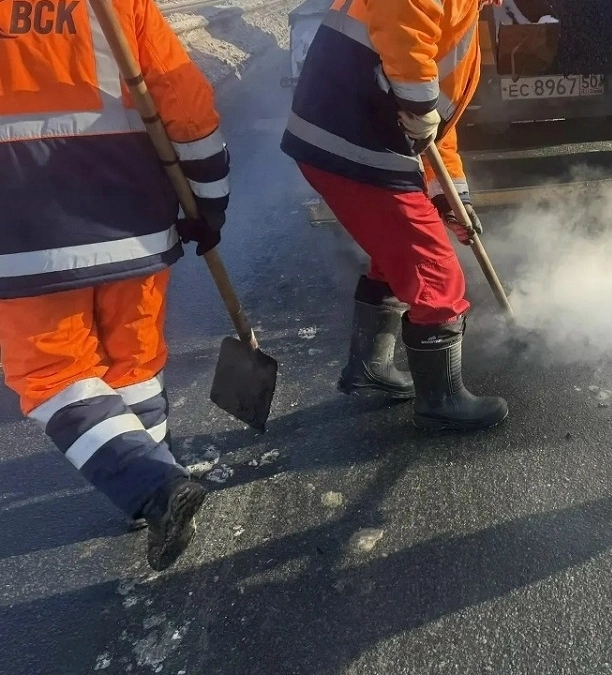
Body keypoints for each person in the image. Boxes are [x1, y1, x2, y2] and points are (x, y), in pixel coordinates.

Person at [0, 0, 231, 569]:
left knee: (53, 374)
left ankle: (153, 487)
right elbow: (184, 100)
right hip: (134, 219)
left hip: (21, 230)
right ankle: (157, 476)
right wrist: (210, 199)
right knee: (135, 360)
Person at [281, 0, 508, 432]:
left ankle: (370, 368)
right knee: (435, 271)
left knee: (395, 257)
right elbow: (405, 23)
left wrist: (452, 197)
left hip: (349, 140)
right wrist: (418, 104)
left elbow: (439, 127)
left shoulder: (469, 9)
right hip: (353, 141)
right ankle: (441, 403)